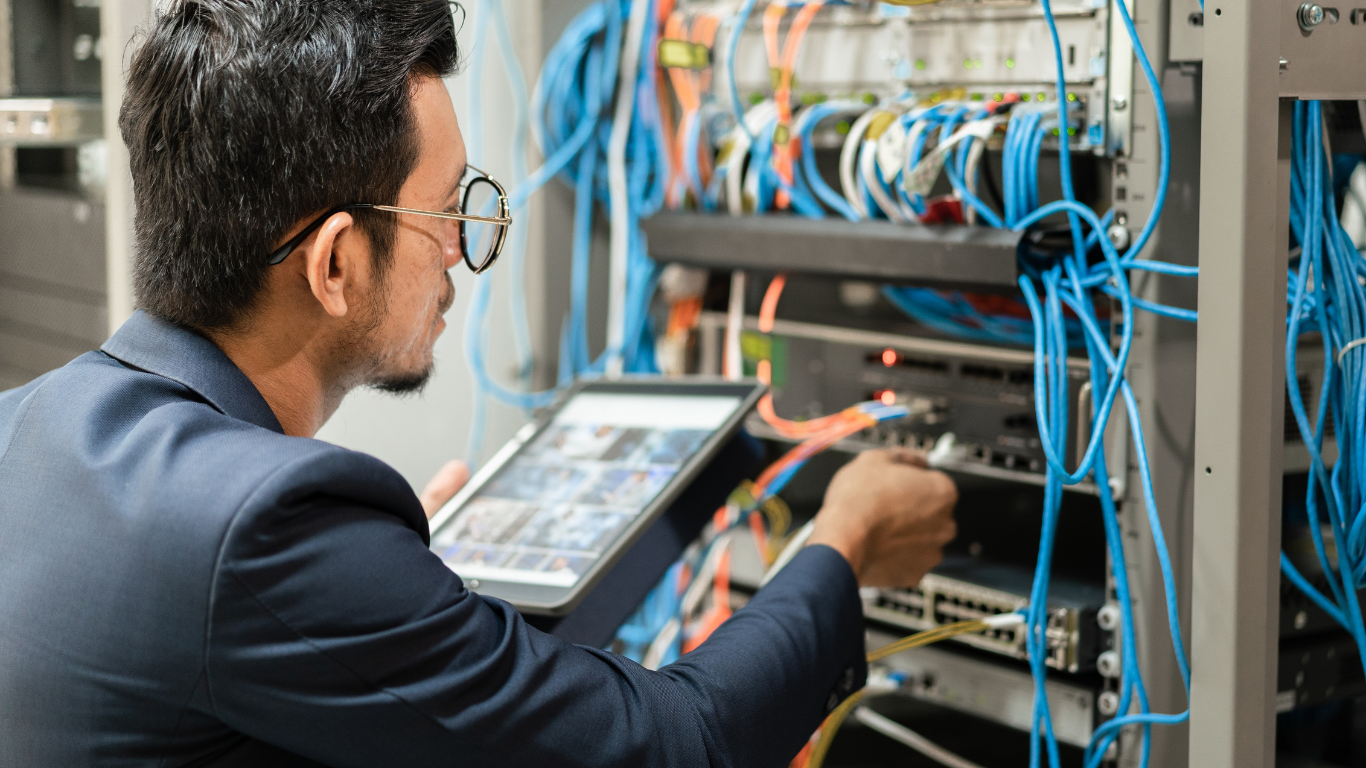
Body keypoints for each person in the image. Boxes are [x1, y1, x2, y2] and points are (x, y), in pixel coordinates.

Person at [0, 2, 957, 766]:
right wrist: (845, 544)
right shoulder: (268, 531)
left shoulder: (29, 423)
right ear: (335, 265)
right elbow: (678, 743)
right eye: (449, 210)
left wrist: (383, 585)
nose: (461, 247)